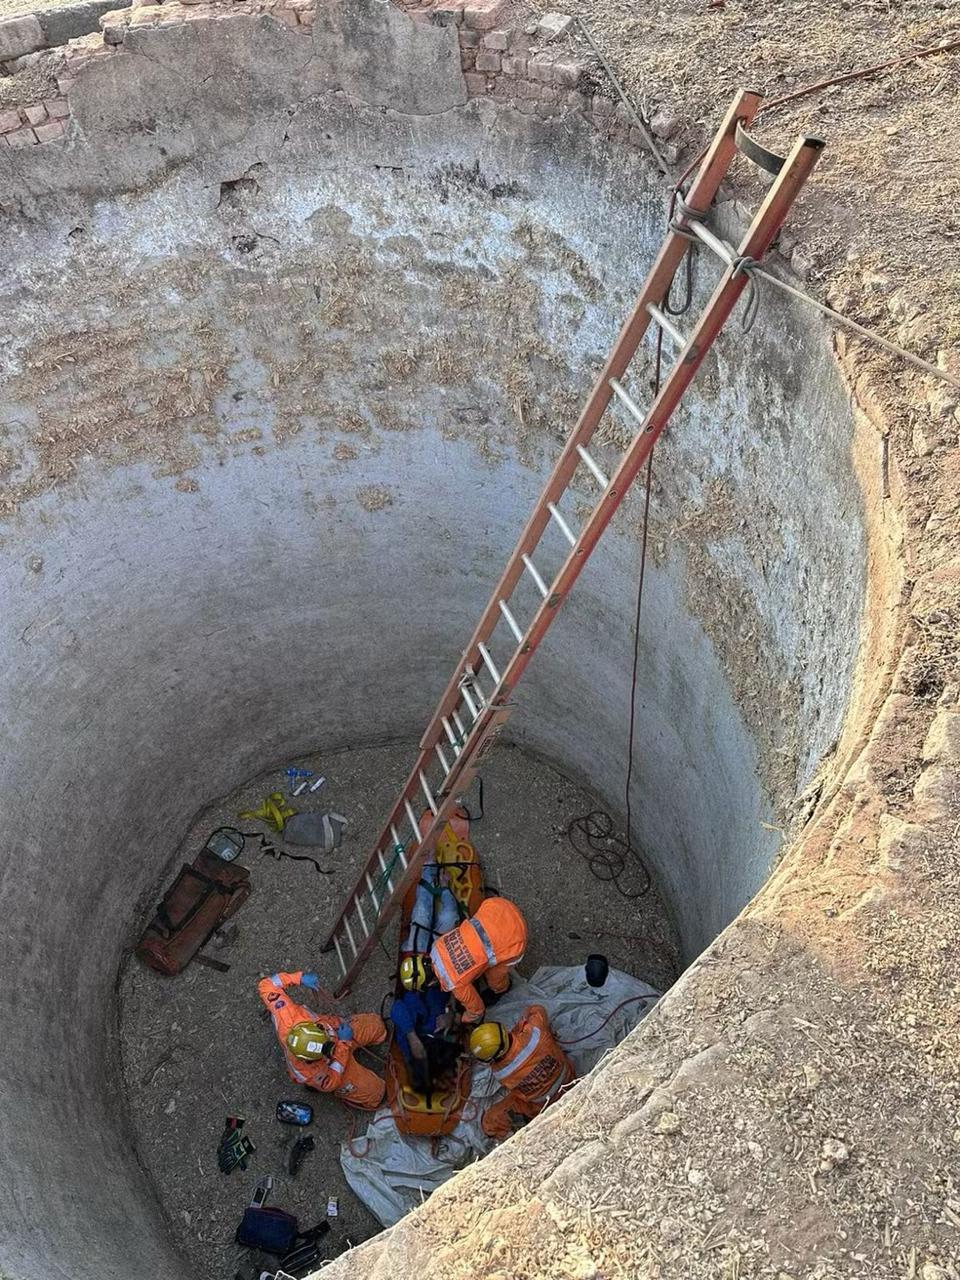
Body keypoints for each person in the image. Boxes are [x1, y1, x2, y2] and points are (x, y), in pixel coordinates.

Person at [256, 969, 387, 1110]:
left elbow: (267, 984)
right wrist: (343, 1044)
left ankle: (379, 1036)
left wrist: (299, 978)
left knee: (377, 1026)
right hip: (334, 1063)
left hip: (335, 1030)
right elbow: (331, 1082)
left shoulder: (287, 1015)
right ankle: (373, 1096)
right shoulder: (308, 1072)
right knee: (376, 1092)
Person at [470, 1004, 574, 1140]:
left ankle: (511, 1136)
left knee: (489, 1121)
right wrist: (522, 1025)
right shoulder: (536, 1030)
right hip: (569, 1078)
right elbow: (537, 1008)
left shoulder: (501, 1072)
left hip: (541, 1106)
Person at [429, 896, 527, 1024]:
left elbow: (477, 1011)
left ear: (431, 983)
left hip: (514, 939)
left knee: (495, 980)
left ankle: (502, 990)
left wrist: (460, 1018)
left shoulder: (457, 986)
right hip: (498, 907)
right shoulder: (437, 946)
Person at [389, 955, 457, 1092]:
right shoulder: (402, 1010)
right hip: (425, 1036)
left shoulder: (440, 969)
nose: (435, 980)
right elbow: (417, 1049)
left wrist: (451, 1013)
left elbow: (456, 986)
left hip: (439, 1018)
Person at [403, 861, 461, 955]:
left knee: (421, 913)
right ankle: (444, 886)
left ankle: (429, 865)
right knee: (450, 916)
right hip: (439, 954)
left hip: (418, 951)